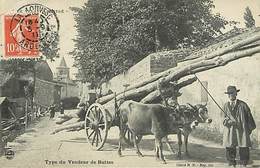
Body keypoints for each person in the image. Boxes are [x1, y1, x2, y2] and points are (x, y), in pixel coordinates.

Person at [222, 86, 256, 167]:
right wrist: (228, 121)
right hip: (230, 130)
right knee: (230, 146)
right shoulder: (225, 106)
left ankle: (244, 163)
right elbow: (222, 119)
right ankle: (232, 163)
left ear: (236, 93)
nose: (230, 95)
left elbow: (249, 117)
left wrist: (248, 129)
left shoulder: (243, 105)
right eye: (229, 93)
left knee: (244, 146)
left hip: (242, 129)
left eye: (232, 93)